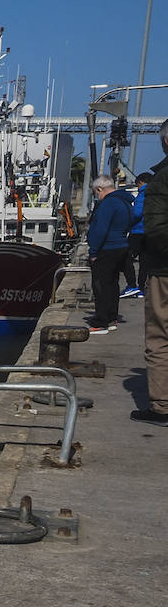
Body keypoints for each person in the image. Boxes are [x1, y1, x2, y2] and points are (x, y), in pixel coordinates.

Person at [133, 119, 168, 426]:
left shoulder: (161, 180)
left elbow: (156, 229)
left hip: (165, 271)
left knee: (159, 337)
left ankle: (161, 406)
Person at [85, 175, 135, 334]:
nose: (96, 195)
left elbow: (100, 229)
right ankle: (112, 317)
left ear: (100, 189)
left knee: (101, 285)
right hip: (121, 246)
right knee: (113, 284)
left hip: (107, 248)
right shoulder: (125, 203)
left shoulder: (108, 204)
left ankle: (101, 322)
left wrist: (93, 251)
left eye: (96, 192)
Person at [122, 172, 151, 298]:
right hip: (150, 232)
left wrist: (127, 223)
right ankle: (141, 288)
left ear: (141, 182)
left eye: (137, 185)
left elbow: (137, 213)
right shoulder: (157, 193)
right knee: (145, 262)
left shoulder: (143, 194)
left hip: (138, 232)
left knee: (125, 257)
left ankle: (132, 285)